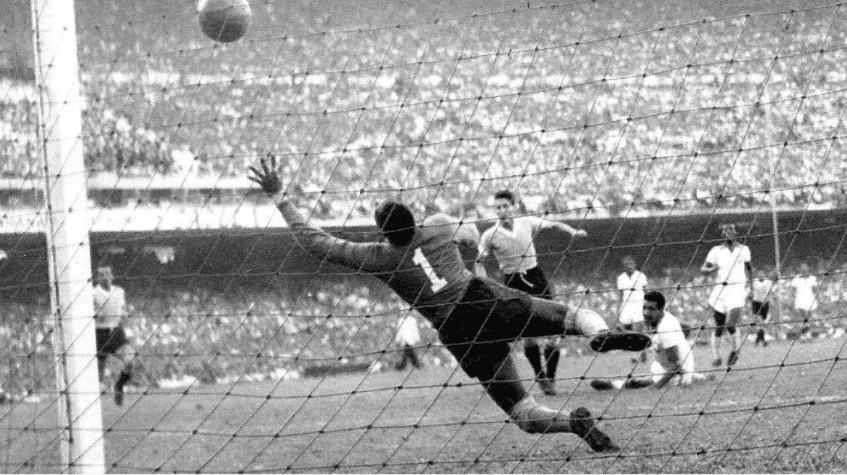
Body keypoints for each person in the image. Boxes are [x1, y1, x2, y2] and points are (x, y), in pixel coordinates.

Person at [249, 156, 650, 453]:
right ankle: (599, 334)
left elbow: (318, 243)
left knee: (523, 413)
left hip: (457, 331)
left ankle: (573, 423)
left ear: (383, 233)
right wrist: (464, 239)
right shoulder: (438, 224)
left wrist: (280, 197)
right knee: (569, 317)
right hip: (482, 298)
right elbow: (472, 233)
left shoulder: (380, 257)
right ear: (414, 218)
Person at [475, 189, 588, 396]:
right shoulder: (489, 235)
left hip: (536, 277)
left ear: (513, 206)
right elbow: (479, 261)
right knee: (529, 333)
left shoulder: (526, 222)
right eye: (497, 207)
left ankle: (550, 379)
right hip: (513, 282)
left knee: (554, 328)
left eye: (505, 206)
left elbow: (553, 224)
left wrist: (572, 231)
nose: (501, 210)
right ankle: (540, 375)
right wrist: (483, 282)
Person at [590, 290, 710, 391]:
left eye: (651, 309)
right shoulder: (659, 319)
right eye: (644, 308)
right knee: (648, 376)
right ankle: (698, 376)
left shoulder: (665, 330)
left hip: (677, 373)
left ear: (661, 309)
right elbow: (686, 327)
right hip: (665, 364)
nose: (646, 312)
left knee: (636, 383)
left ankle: (613, 385)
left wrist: (654, 387)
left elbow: (675, 366)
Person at [700, 223, 753, 368]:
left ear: (735, 233)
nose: (729, 232)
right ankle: (716, 357)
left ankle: (735, 350)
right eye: (726, 230)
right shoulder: (716, 251)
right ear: (722, 234)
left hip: (737, 290)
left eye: (731, 230)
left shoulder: (744, 249)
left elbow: (749, 269)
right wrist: (711, 269)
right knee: (719, 326)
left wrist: (751, 288)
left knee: (730, 324)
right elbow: (703, 269)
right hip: (720, 290)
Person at [92, 265, 135, 406]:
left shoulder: (119, 291)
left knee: (130, 361)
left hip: (116, 331)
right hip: (99, 333)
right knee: (98, 374)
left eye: (108, 273)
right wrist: (95, 313)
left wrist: (124, 314)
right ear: (97, 278)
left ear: (112, 276)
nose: (105, 276)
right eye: (102, 274)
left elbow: (122, 308)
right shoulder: (93, 293)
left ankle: (119, 385)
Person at [789, 263, 819, 340]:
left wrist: (817, 297)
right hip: (800, 300)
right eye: (803, 269)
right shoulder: (796, 279)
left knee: (806, 318)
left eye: (805, 268)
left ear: (808, 269)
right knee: (804, 316)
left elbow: (815, 289)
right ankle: (806, 334)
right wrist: (792, 298)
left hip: (810, 299)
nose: (804, 270)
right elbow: (792, 290)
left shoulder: (812, 278)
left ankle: (805, 334)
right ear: (800, 269)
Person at [750, 273, 775, 346]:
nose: (761, 275)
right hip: (756, 302)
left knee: (763, 322)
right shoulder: (754, 282)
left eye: (763, 274)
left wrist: (769, 300)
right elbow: (752, 291)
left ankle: (759, 339)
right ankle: (762, 340)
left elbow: (770, 292)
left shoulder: (768, 282)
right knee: (758, 319)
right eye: (759, 274)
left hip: (765, 302)